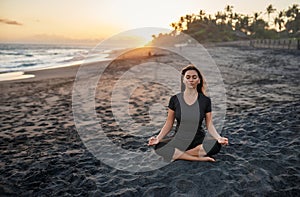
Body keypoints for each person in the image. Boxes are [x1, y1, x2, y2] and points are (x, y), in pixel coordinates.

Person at [148, 64, 228, 162]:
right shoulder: (175, 99)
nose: (191, 80)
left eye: (194, 77)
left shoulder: (205, 100)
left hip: (198, 140)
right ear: (183, 80)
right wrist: (158, 138)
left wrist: (219, 138)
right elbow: (169, 123)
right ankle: (198, 158)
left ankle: (178, 155)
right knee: (158, 146)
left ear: (199, 80)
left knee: (216, 145)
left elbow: (209, 125)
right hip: (179, 139)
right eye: (188, 77)